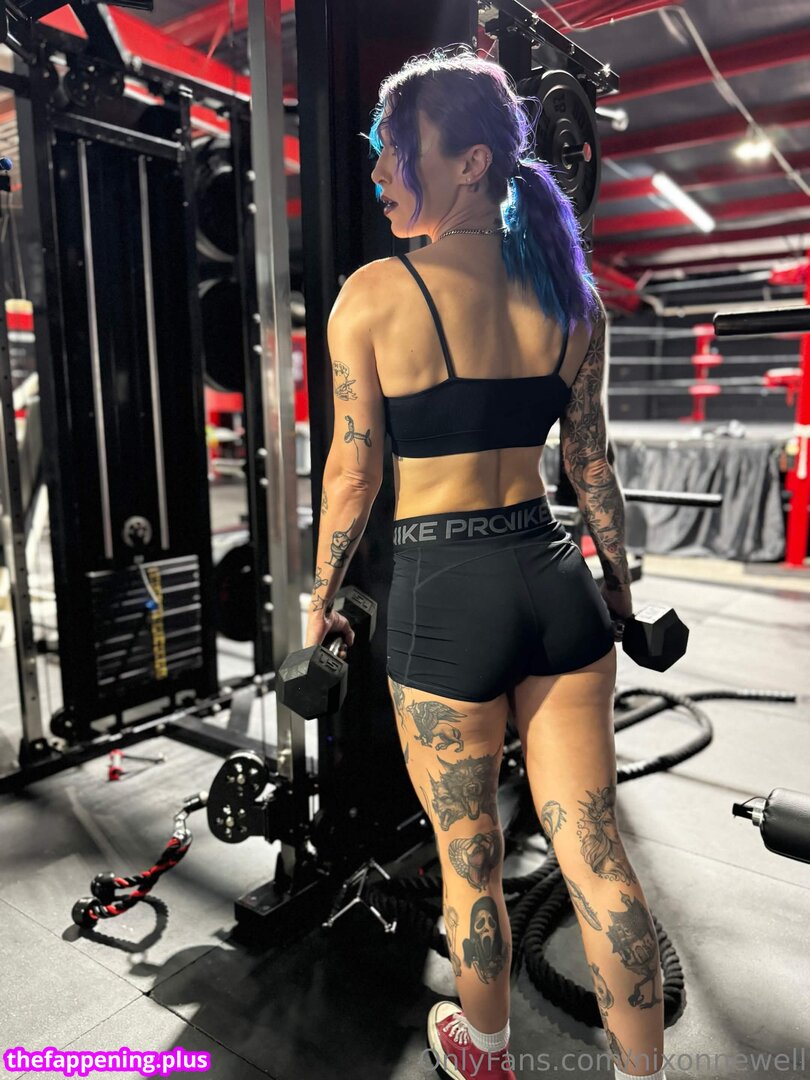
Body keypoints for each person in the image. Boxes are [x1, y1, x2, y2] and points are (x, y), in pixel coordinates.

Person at [303, 45, 666, 1080]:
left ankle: (487, 1052)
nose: (380, 172)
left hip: (444, 596)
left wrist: (318, 604)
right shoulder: (572, 300)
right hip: (556, 586)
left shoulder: (374, 295)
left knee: (472, 866)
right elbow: (592, 471)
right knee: (594, 854)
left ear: (469, 163)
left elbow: (353, 476)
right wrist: (618, 593)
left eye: (397, 150)